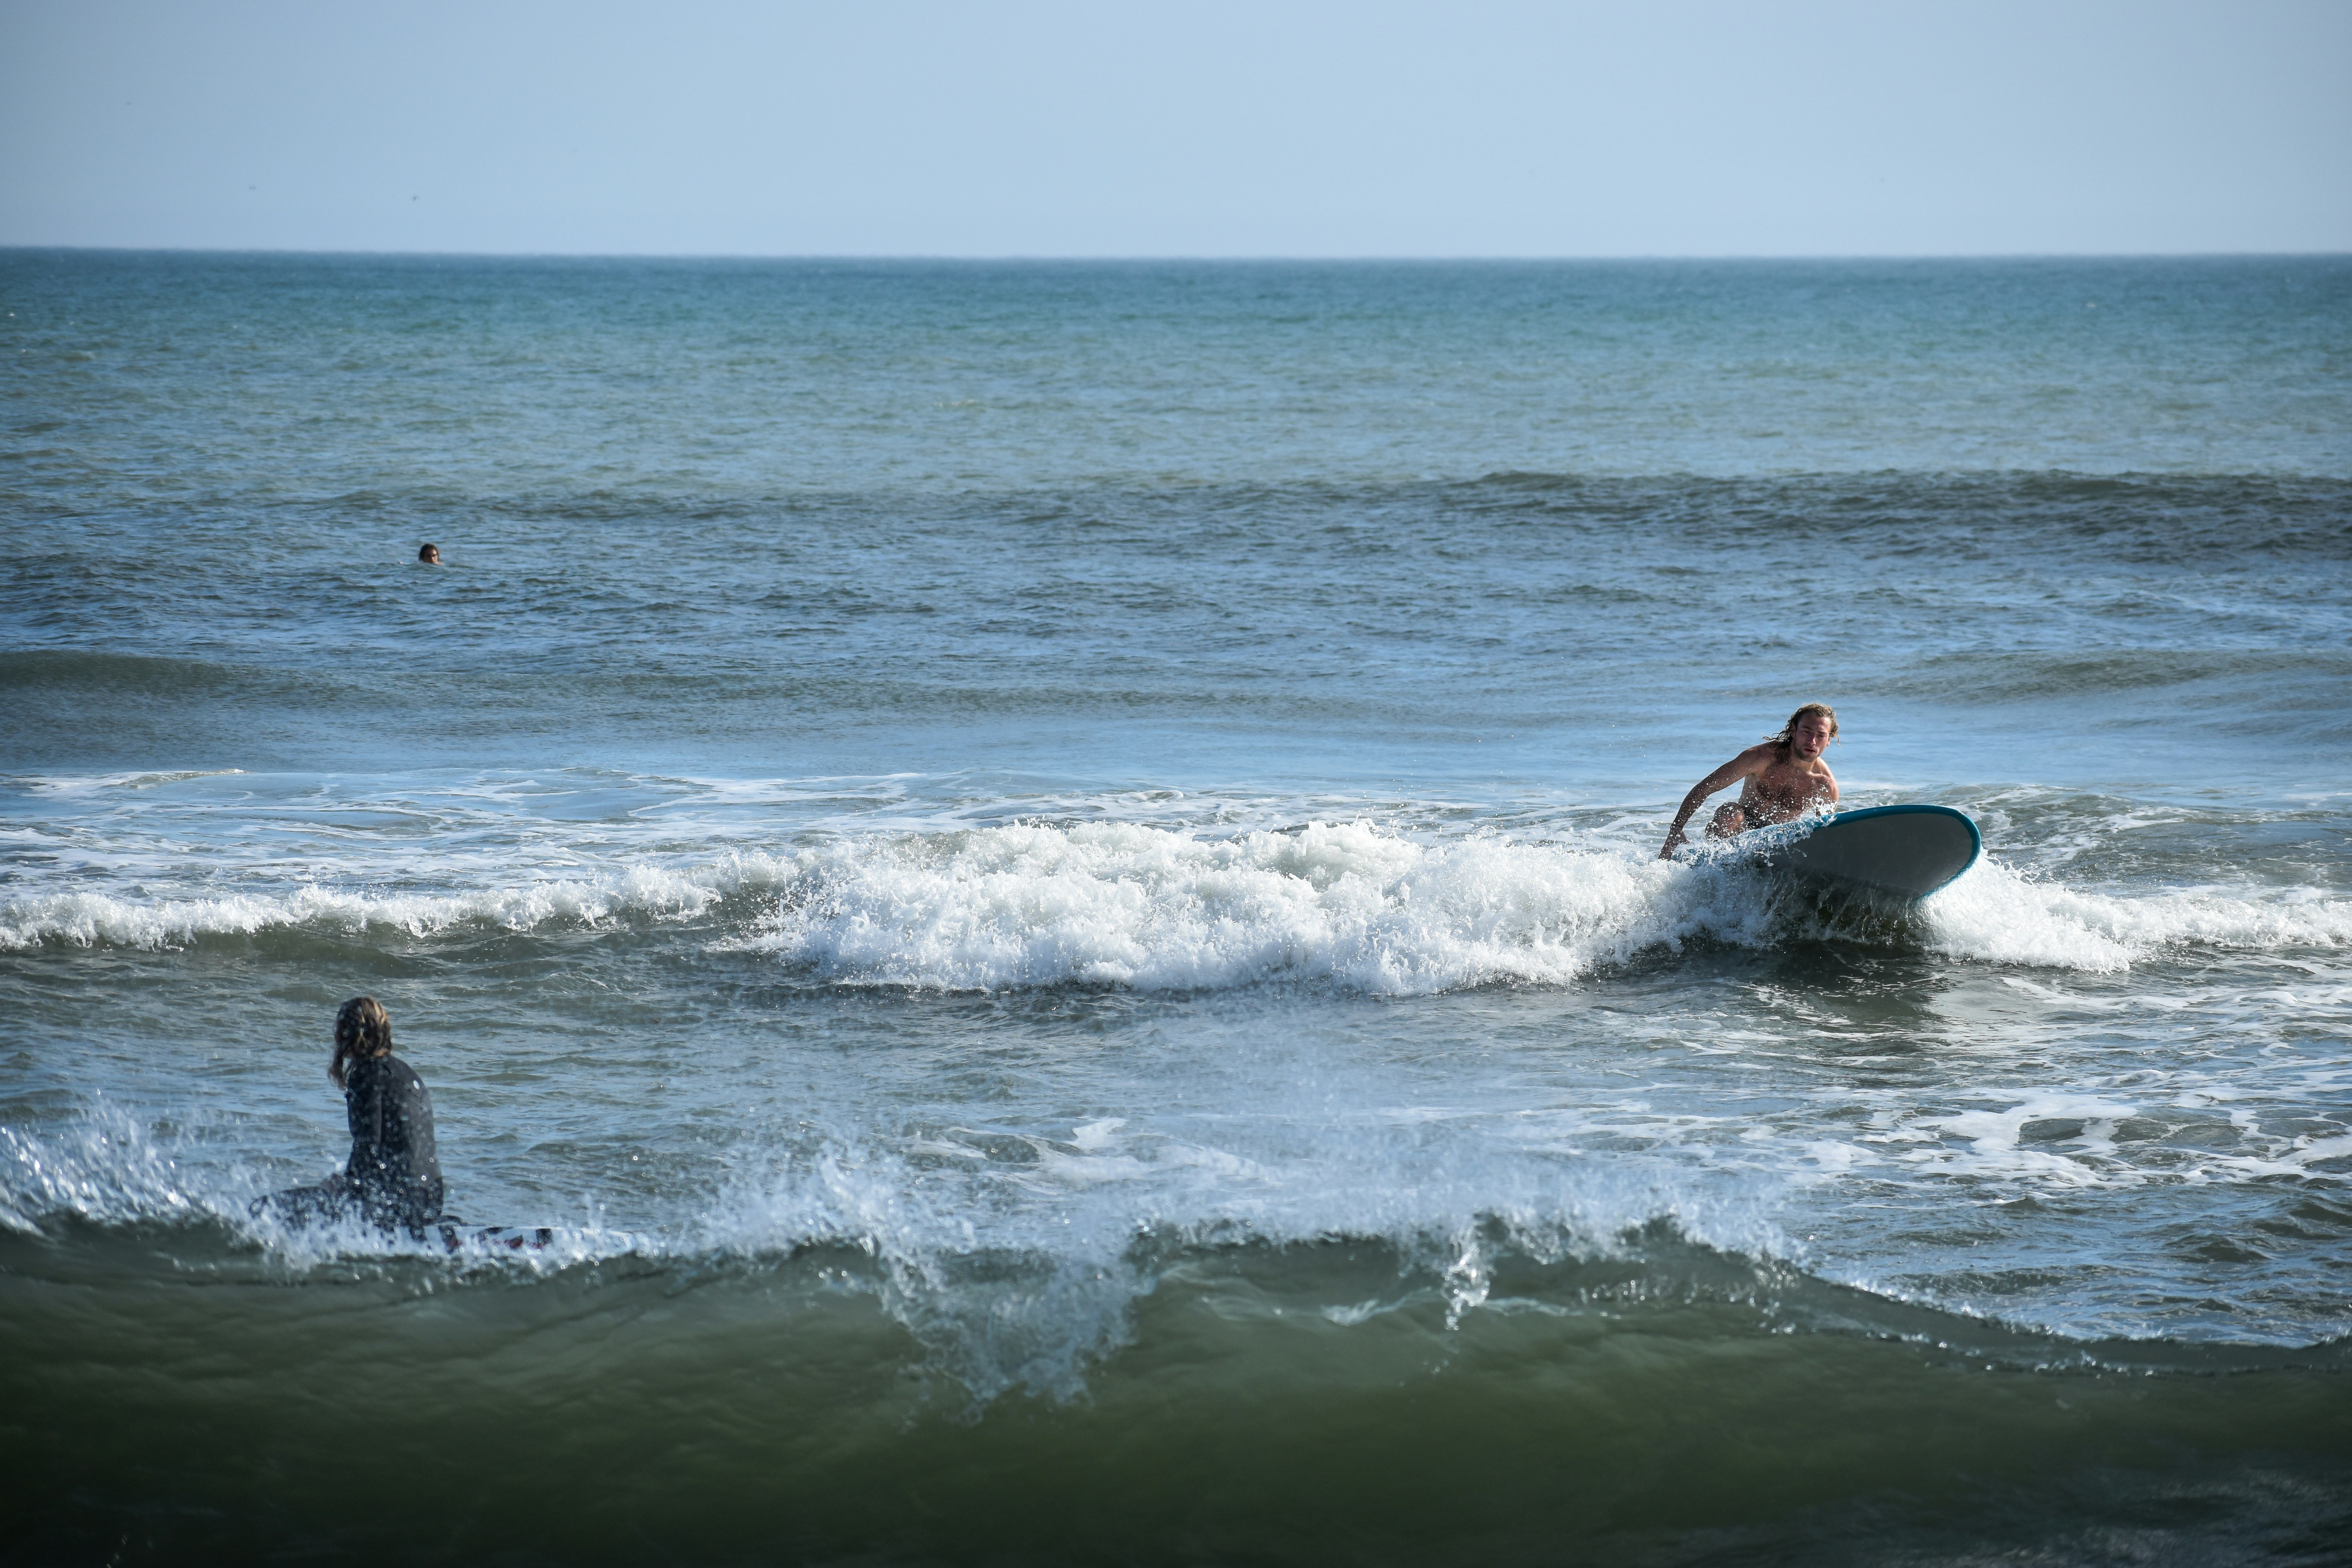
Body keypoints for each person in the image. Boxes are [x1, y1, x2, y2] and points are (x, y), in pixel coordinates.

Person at [257, 996, 445, 1233]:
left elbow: (368, 1146)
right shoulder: (406, 1073)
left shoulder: (366, 1075)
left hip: (396, 1207)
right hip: (429, 1201)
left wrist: (348, 1186)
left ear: (349, 1035)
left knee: (266, 1209)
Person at [1659, 703, 1840, 859]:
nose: (1812, 741)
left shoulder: (1824, 784)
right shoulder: (1761, 758)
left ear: (1829, 740)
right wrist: (1676, 830)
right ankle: (1716, 871)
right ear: (1793, 731)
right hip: (1740, 834)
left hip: (1784, 842)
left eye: (1821, 735)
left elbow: (1824, 832)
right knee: (1729, 813)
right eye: (1806, 732)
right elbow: (1706, 788)